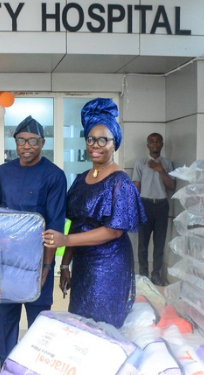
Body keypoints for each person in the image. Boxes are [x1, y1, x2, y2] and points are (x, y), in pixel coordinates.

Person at [43, 98, 146, 329]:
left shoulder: (120, 183)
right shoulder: (81, 179)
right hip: (83, 264)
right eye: (90, 139)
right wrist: (65, 264)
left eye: (103, 140)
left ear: (114, 143)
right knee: (81, 319)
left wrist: (66, 240)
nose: (95, 145)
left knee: (102, 324)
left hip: (109, 264)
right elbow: (76, 223)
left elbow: (114, 231)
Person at [0, 116, 67, 375]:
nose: (26, 146)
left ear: (42, 143)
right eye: (21, 141)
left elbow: (55, 225)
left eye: (32, 141)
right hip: (5, 264)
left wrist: (47, 267)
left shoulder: (54, 175)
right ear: (15, 143)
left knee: (38, 327)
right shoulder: (4, 172)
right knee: (6, 324)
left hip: (37, 264)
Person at [132, 133, 175, 286]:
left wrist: (161, 170)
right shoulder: (140, 163)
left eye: (157, 141)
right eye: (152, 141)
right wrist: (135, 208)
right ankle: (143, 275)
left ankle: (156, 275)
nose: (155, 144)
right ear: (148, 145)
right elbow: (136, 187)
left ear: (162, 144)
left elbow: (172, 186)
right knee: (143, 244)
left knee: (159, 243)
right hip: (145, 205)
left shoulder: (167, 163)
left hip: (162, 206)